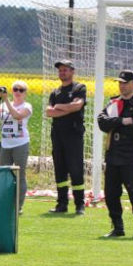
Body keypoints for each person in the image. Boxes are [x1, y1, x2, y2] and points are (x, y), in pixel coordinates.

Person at [97, 70, 133, 238]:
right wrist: (121, 121)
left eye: (125, 82)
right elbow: (102, 122)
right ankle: (117, 227)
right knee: (111, 193)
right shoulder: (114, 102)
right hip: (114, 155)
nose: (122, 86)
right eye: (120, 83)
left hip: (132, 156)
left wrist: (116, 124)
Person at [46, 59, 86, 215]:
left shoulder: (79, 88)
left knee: (76, 170)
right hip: (57, 135)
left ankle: (79, 204)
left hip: (74, 135)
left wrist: (60, 107)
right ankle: (61, 204)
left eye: (65, 70)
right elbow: (49, 112)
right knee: (60, 170)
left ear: (72, 71)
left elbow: (77, 106)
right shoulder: (55, 92)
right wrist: (68, 108)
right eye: (60, 70)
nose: (62, 72)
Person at [0, 80, 32, 214]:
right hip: (5, 144)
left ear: (25, 93)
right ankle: (5, 203)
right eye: (15, 89)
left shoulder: (27, 106)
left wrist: (6, 101)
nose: (18, 92)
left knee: (20, 175)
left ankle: (19, 206)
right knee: (4, 175)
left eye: (21, 90)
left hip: (20, 144)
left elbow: (17, 116)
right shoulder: (4, 104)